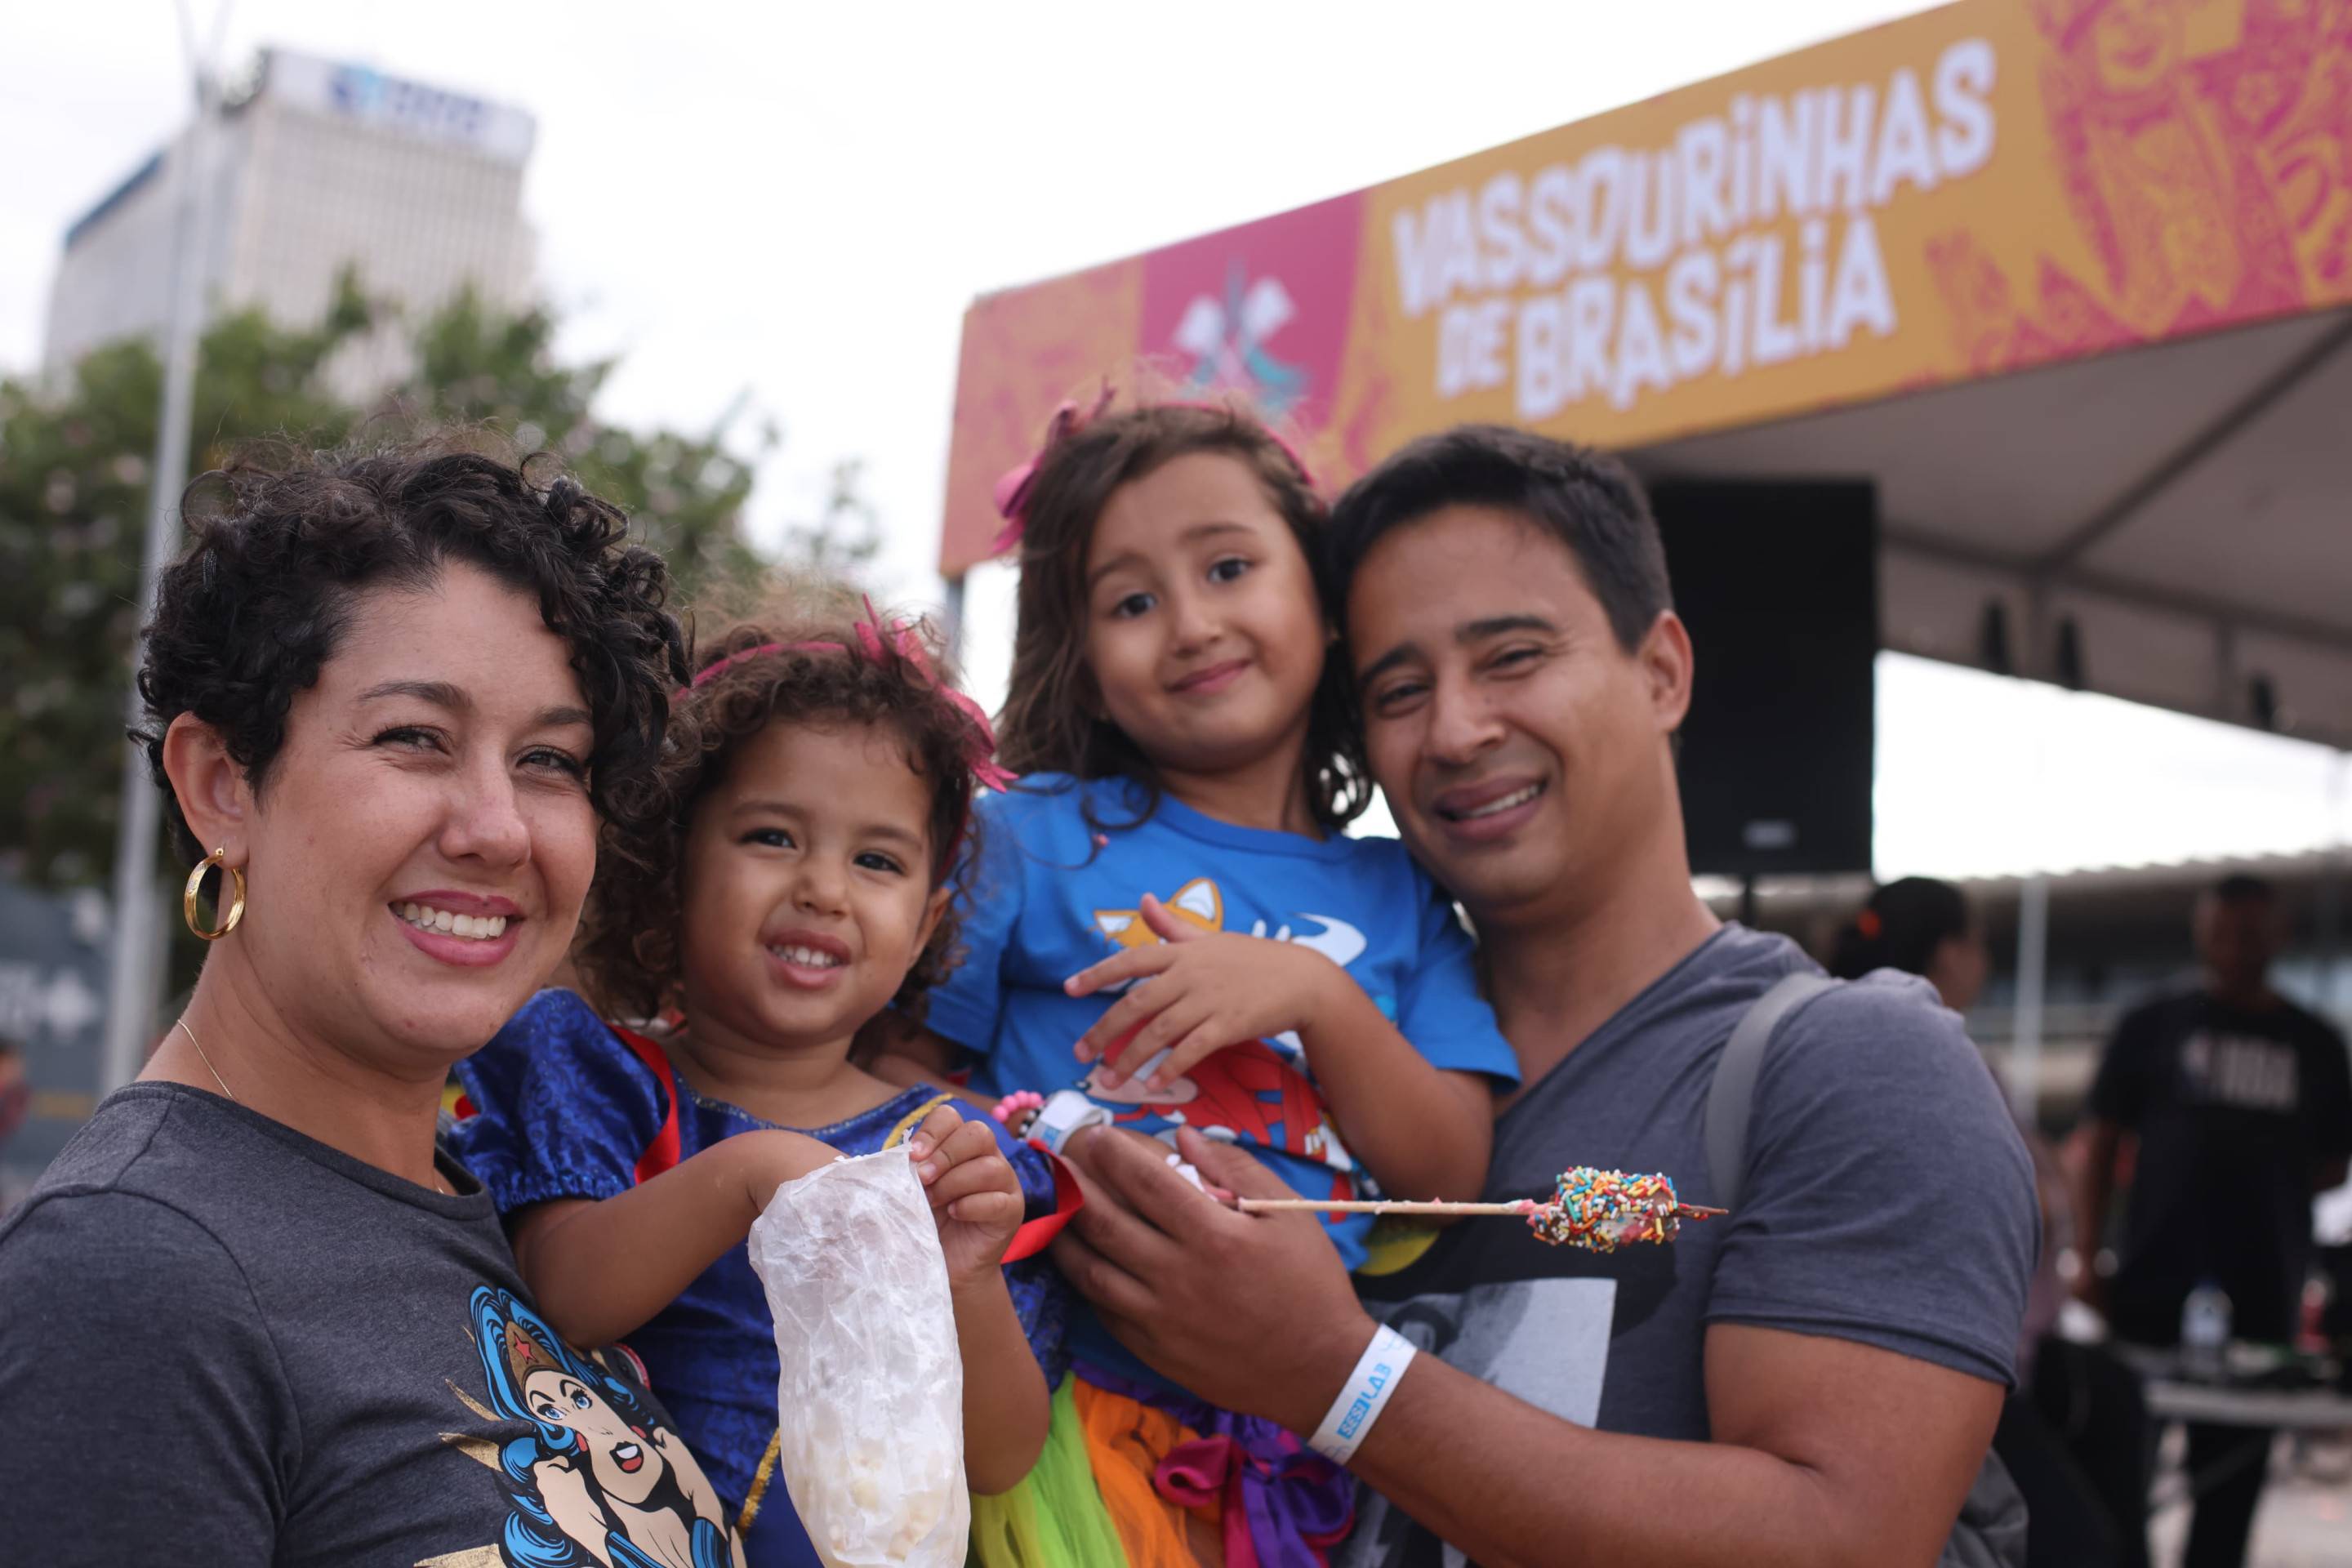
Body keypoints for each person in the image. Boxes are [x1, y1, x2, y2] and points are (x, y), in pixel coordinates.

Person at [1050, 423, 2039, 1567]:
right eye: (1401, 689)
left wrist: (1332, 1373)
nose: (1459, 731)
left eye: (1512, 657)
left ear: (1662, 670)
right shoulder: (1290, 1058)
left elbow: (1842, 1538)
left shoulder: (1857, 1066)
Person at [0, 439, 752, 1566]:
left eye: (550, 760)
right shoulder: (133, 1273)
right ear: (221, 785)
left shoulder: (519, 1214)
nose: (497, 827)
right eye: (415, 738)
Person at [871, 397, 1519, 1565]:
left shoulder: (1403, 891)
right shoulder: (1029, 842)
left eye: (1228, 566)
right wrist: (1011, 1156)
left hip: (1307, 1452)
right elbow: (895, 1074)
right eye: (1132, 600)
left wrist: (1316, 997)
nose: (1190, 623)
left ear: (1326, 605)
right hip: (1059, 1420)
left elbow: (1448, 1167)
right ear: (1084, 659)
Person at [448, 596, 1058, 1568]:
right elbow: (558, 1296)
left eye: (876, 860)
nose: (824, 887)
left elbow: (997, 1456)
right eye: (773, 837)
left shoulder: (943, 1151)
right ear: (673, 862)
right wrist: (747, 1175)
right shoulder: (601, 1077)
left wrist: (967, 1277)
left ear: (931, 918)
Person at [1833, 877, 2145, 1568]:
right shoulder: (1938, 1059)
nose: (1986, 960)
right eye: (1978, 942)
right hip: (1958, 1373)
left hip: (1962, 1368)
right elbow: (2021, 1202)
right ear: (1949, 953)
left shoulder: (1855, 1043)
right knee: (2078, 1546)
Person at [2073, 872, 2352, 1568]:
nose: (2237, 945)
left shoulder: (2315, 1043)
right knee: (2116, 1484)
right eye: (2224, 930)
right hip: (2149, 1287)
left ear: (2280, 935)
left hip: (2263, 1297)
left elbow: (2334, 1165)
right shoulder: (2155, 1024)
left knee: (2229, 1497)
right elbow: (2099, 1143)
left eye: (2253, 931)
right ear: (2201, 931)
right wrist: (2086, 1258)